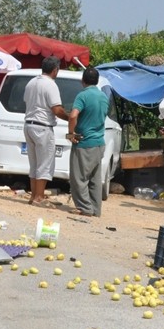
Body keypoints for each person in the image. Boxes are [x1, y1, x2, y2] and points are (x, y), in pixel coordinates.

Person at [23, 56, 69, 206]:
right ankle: (39, 197)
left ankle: (34, 196)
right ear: (55, 70)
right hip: (43, 126)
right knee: (45, 164)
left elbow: (26, 101)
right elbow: (57, 109)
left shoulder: (31, 82)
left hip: (29, 125)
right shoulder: (50, 85)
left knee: (34, 163)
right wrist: (70, 118)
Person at [67, 66, 110, 216]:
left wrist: (71, 133)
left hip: (84, 143)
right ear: (97, 81)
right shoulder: (103, 97)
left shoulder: (83, 95)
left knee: (79, 178)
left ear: (83, 80)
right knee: (94, 179)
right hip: (99, 143)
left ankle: (85, 208)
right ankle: (95, 210)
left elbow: (73, 115)